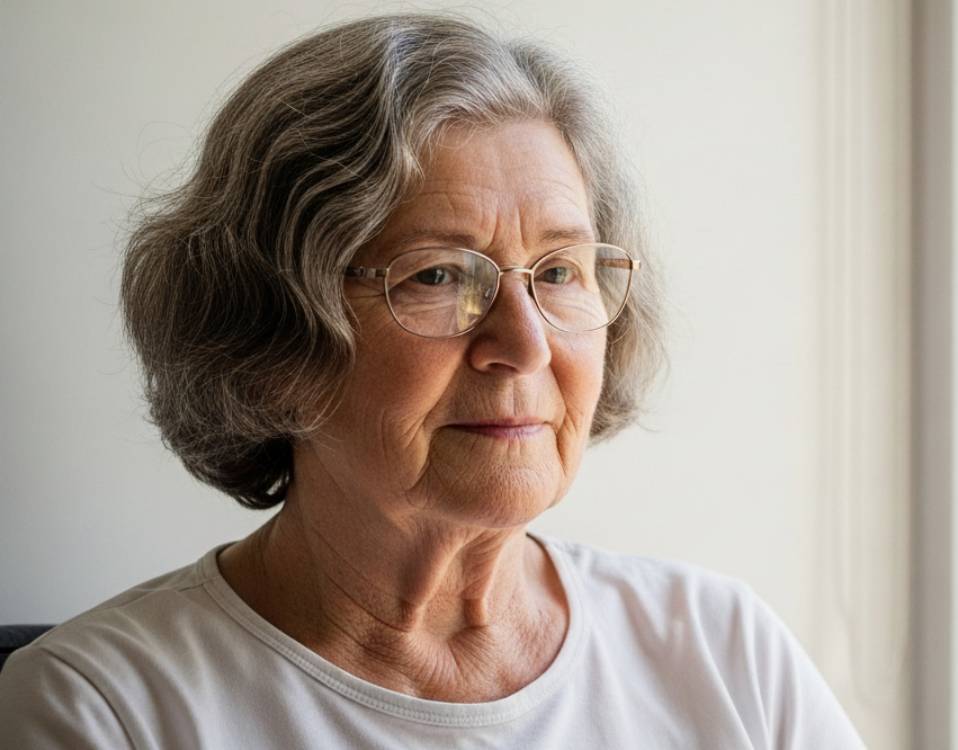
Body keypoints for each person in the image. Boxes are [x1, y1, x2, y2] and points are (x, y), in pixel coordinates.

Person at [0, 13, 863, 749]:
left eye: (559, 272)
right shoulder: (105, 708)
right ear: (273, 332)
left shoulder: (721, 651)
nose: (524, 345)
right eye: (438, 275)